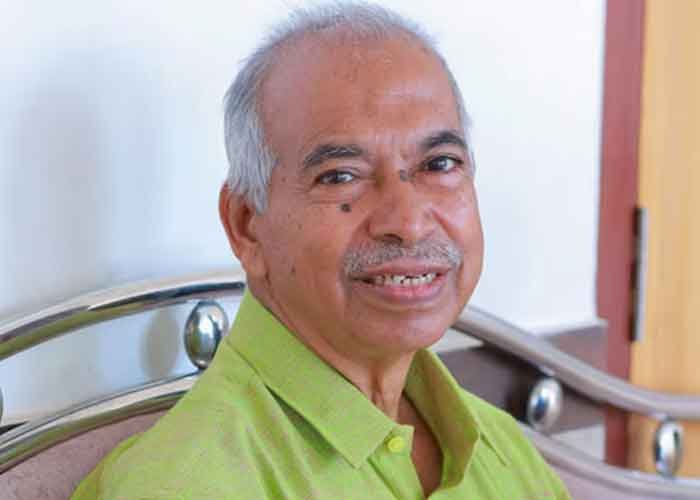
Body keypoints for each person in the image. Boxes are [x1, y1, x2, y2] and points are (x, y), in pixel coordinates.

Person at [73, 3, 570, 499]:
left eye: (439, 164)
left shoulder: (502, 450)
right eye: (341, 176)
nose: (409, 222)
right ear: (247, 226)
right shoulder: (187, 484)